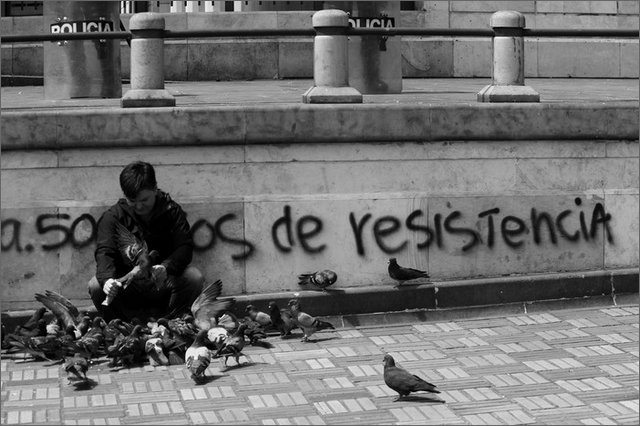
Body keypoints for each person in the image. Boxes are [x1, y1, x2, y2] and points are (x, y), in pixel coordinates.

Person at [88, 161, 204, 322]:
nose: (139, 206)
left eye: (144, 200)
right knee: (96, 285)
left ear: (155, 189)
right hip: (128, 286)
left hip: (162, 282)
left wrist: (166, 267)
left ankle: (173, 324)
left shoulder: (171, 211)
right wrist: (107, 280)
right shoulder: (113, 217)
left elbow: (184, 246)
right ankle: (120, 329)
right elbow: (104, 252)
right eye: (132, 200)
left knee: (194, 277)